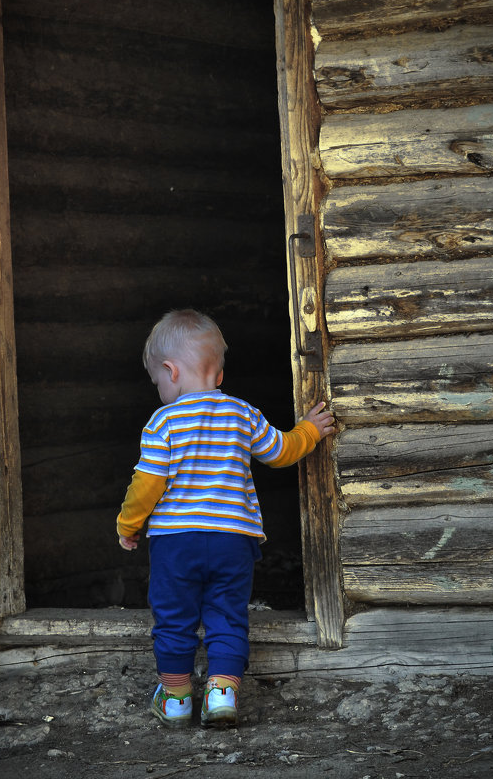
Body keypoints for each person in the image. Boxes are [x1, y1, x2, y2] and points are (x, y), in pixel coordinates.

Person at [116, 309, 336, 728]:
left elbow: (146, 486)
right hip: (234, 540)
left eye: (158, 382)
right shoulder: (242, 414)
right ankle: (221, 695)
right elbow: (281, 452)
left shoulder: (162, 421)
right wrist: (309, 429)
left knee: (174, 617)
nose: (159, 390)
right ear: (218, 375)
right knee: (227, 614)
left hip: (176, 542)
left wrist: (128, 526)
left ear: (171, 371)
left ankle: (178, 699)